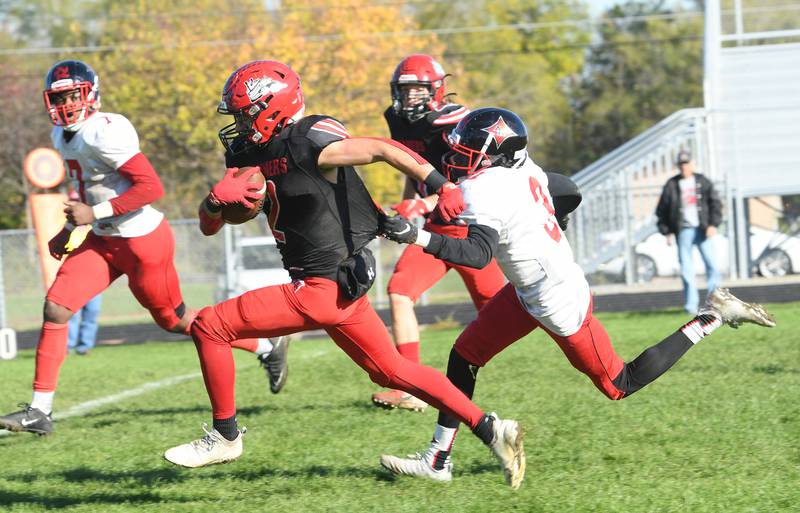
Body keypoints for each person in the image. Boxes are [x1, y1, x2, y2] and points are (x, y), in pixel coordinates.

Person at [162, 60, 525, 489]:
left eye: (246, 113)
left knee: (209, 326)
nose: (239, 124)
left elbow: (382, 150)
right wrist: (215, 202)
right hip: (337, 288)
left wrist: (442, 184)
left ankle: (225, 436)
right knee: (390, 371)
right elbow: (214, 223)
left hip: (322, 284)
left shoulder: (310, 140)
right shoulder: (250, 151)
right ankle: (492, 429)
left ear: (272, 107)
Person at [377, 108, 776, 483]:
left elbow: (476, 256)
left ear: (496, 154)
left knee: (619, 383)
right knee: (463, 355)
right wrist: (557, 218)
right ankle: (437, 459)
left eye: (469, 152)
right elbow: (565, 187)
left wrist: (416, 235)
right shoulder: (522, 166)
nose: (459, 159)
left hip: (558, 300)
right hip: (527, 289)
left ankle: (712, 316)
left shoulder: (487, 189)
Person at [0, 60, 286, 437]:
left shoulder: (106, 131)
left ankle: (266, 345)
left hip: (142, 241)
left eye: (73, 95)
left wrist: (92, 213)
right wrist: (68, 228)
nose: (67, 104)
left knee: (175, 321)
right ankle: (40, 410)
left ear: (91, 94)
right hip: (103, 240)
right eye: (60, 97)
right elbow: (88, 192)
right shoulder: (60, 137)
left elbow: (151, 188)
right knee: (56, 306)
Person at [372, 54, 506, 411]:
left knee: (503, 311)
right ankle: (410, 387)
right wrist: (408, 207)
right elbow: (409, 164)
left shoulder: (457, 122)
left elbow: (468, 177)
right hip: (433, 230)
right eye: (405, 90)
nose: (409, 97)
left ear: (435, 90)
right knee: (399, 291)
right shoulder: (397, 119)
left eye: (417, 89)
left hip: (469, 229)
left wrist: (425, 203)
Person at [656, 150, 722, 314]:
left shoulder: (703, 181)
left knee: (712, 266)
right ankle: (691, 306)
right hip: (683, 231)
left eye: (686, 163)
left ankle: (714, 304)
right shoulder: (671, 184)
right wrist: (667, 232)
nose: (684, 166)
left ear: (692, 163)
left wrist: (713, 224)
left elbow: (715, 204)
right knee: (686, 269)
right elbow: (662, 210)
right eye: (681, 164)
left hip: (703, 229)